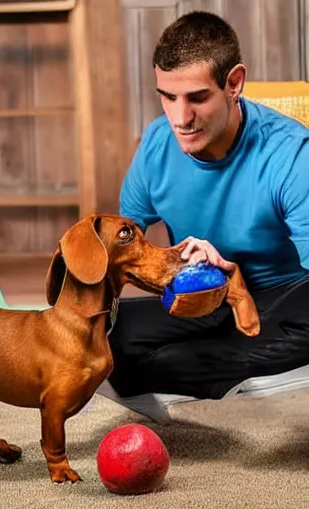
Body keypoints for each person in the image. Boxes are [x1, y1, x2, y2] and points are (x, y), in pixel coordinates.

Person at [106, 11, 309, 418]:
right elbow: (123, 253)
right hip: (203, 298)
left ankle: (180, 374)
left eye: (197, 98)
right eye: (167, 96)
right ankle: (231, 375)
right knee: (106, 332)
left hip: (281, 299)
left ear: (234, 84)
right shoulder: (155, 146)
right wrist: (172, 265)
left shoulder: (292, 154)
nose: (180, 119)